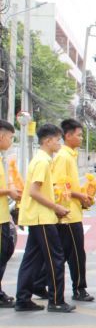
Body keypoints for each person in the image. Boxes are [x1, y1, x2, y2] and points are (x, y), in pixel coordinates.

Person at [15, 123, 74, 313]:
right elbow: (34, 191)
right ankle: (56, 300)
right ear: (47, 141)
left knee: (31, 259)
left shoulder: (42, 159)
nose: (59, 143)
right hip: (42, 217)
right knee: (55, 258)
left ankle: (23, 299)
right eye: (57, 140)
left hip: (37, 216)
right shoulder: (43, 161)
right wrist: (56, 207)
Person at [51, 119, 94, 302]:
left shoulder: (71, 155)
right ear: (67, 136)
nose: (81, 138)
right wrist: (80, 196)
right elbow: (59, 186)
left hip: (72, 211)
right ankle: (79, 289)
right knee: (76, 254)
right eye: (79, 134)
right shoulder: (64, 156)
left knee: (64, 253)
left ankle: (38, 284)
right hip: (68, 215)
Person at [0, 120, 20, 308]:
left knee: (4, 253)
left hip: (3, 216)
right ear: (2, 135)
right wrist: (9, 192)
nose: (11, 142)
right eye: (11, 137)